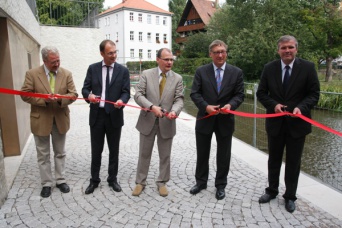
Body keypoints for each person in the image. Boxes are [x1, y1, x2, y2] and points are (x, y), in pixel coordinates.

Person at [256, 35, 320, 213]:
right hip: (275, 123)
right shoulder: (269, 68)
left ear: (296, 49)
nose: (287, 51)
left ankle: (290, 196)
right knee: (273, 159)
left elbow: (314, 94)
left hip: (297, 124)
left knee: (293, 162)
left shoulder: (308, 67)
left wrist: (301, 107)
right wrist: (273, 105)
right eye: (283, 48)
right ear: (278, 50)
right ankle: (272, 190)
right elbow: (261, 93)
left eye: (290, 47)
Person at [190, 40, 244, 200]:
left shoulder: (236, 72)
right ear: (210, 54)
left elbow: (239, 95)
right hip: (205, 118)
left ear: (226, 53)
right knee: (202, 153)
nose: (220, 55)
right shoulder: (201, 71)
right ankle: (200, 182)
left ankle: (221, 185)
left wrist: (231, 105)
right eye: (216, 52)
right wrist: (206, 107)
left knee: (224, 155)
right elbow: (195, 93)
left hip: (225, 120)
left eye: (223, 51)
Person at [21, 46, 78, 198]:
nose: (57, 64)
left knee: (60, 152)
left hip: (60, 119)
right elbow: (25, 94)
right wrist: (43, 100)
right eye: (53, 62)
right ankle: (46, 183)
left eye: (58, 60)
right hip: (41, 119)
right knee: (43, 154)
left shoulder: (66, 74)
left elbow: (73, 94)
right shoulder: (32, 74)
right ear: (45, 61)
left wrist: (61, 98)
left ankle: (60, 180)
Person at [132, 48, 184, 197]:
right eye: (166, 59)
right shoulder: (147, 74)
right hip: (147, 120)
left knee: (165, 155)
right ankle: (140, 182)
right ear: (158, 59)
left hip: (167, 122)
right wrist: (151, 107)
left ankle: (162, 182)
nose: (169, 62)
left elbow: (179, 99)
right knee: (144, 153)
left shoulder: (177, 78)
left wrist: (174, 111)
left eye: (171, 59)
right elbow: (138, 95)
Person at [82, 40, 130, 194]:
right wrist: (89, 96)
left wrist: (122, 101)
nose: (114, 55)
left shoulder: (123, 71)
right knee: (96, 150)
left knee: (113, 150)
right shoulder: (93, 68)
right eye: (110, 53)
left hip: (114, 115)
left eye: (115, 52)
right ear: (102, 53)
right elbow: (85, 88)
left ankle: (112, 179)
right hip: (97, 116)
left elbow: (126, 91)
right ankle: (94, 180)